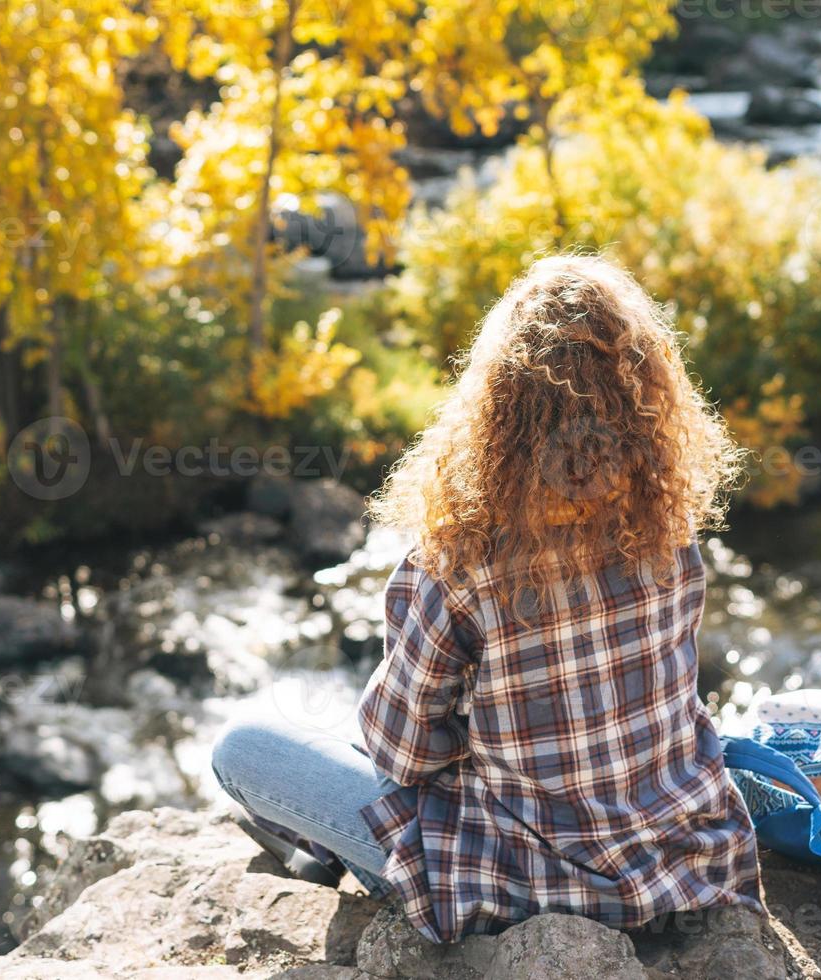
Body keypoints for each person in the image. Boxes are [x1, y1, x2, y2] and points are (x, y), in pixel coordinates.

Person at [211, 254, 762, 943]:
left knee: (247, 742)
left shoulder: (461, 563)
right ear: (644, 398)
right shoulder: (670, 537)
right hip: (677, 862)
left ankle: (321, 851)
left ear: (499, 410)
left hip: (517, 883)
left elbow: (404, 756)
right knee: (354, 721)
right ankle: (320, 849)